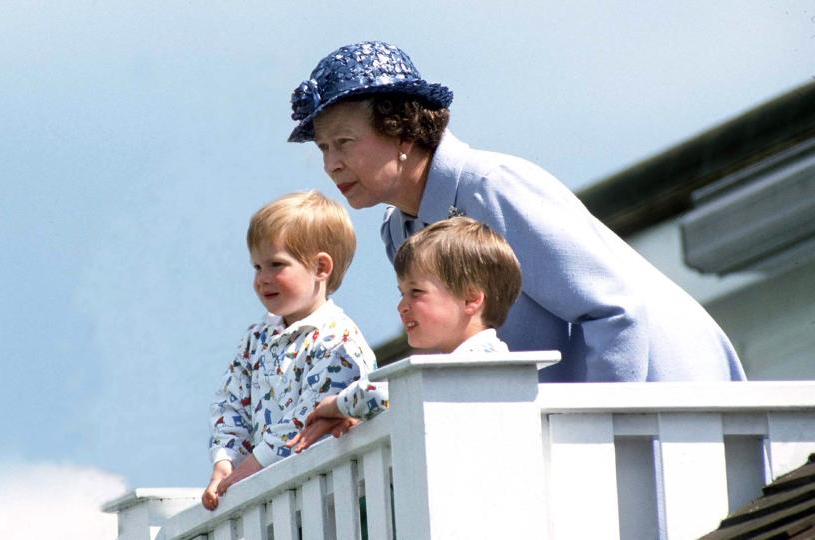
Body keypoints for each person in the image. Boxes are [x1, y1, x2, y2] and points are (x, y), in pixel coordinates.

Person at [286, 40, 745, 383]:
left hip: (671, 397)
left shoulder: (492, 186)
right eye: (324, 148)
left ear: (401, 130)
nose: (331, 164)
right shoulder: (400, 230)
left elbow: (614, 310)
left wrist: (596, 439)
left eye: (344, 142)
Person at [287, 216, 523, 453]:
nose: (402, 306)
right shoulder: (462, 365)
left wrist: (336, 405)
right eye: (402, 293)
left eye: (416, 292)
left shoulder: (480, 360)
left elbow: (386, 393)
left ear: (471, 299)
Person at [203, 190, 376, 511]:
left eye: (276, 264)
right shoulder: (257, 337)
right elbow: (230, 401)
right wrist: (225, 462)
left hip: (330, 498)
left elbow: (310, 416)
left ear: (321, 267)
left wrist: (251, 468)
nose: (262, 279)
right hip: (270, 500)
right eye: (257, 266)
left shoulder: (338, 339)